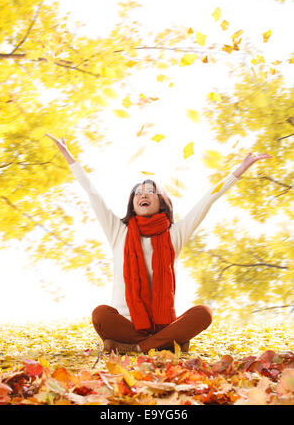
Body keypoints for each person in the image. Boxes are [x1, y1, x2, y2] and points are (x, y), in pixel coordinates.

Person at [45, 133, 272, 354]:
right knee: (101, 314)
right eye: (138, 193)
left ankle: (138, 347)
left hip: (162, 323)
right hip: (126, 325)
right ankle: (165, 344)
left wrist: (240, 170)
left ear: (161, 202)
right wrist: (68, 156)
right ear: (133, 203)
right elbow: (93, 194)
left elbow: (208, 200)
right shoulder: (118, 232)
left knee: (204, 313)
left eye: (150, 192)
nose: (143, 195)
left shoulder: (175, 234)